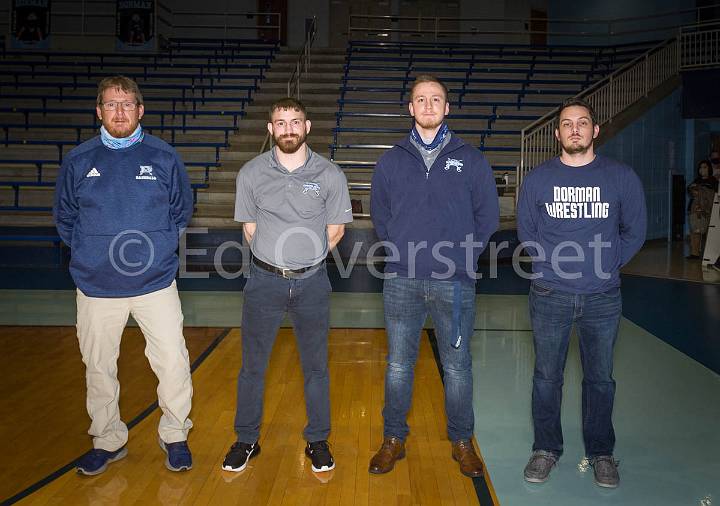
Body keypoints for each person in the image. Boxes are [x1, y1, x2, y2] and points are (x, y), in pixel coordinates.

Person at [53, 75, 195, 475]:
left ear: (140, 110)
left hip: (155, 284)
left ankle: (175, 434)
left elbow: (180, 212)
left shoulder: (164, 156)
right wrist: (91, 251)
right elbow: (65, 218)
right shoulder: (79, 160)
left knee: (173, 363)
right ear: (99, 111)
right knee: (99, 367)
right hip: (96, 287)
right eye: (111, 104)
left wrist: (158, 248)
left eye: (127, 104)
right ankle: (107, 439)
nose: (119, 111)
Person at [368, 75, 500, 478]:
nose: (428, 105)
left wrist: (461, 256)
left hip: (454, 280)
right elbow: (380, 215)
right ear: (410, 108)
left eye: (436, 99)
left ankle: (462, 441)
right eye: (420, 99)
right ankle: (393, 439)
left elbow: (488, 217)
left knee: (458, 367)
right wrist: (401, 252)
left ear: (447, 108)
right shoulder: (391, 160)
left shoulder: (472, 159)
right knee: (398, 365)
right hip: (401, 280)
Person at [516, 97, 647, 489]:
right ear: (557, 134)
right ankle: (545, 449)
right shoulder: (539, 179)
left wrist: (607, 264)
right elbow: (527, 230)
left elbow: (635, 230)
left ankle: (601, 452)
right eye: (568, 124)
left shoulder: (621, 177)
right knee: (546, 377)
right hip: (550, 293)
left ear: (595, 130)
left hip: (602, 297)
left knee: (600, 380)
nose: (575, 129)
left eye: (583, 122)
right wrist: (548, 266)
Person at [223, 97, 353, 474]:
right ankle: (246, 440)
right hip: (263, 282)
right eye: (281, 123)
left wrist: (304, 261)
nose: (289, 129)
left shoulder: (330, 174)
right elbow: (249, 229)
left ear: (307, 127)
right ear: (271, 129)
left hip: (313, 283)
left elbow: (336, 230)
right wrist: (276, 263)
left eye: (295, 122)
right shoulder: (250, 173)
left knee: (315, 367)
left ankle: (318, 440)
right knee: (253, 367)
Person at [686, 159, 719, 259]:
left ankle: (708, 255)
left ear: (709, 168)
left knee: (708, 232)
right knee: (695, 230)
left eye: (704, 167)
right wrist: (693, 190)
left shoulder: (713, 181)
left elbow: (714, 195)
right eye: (700, 167)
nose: (702, 170)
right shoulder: (697, 180)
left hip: (708, 210)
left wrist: (700, 191)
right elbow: (690, 191)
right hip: (695, 209)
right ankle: (694, 253)